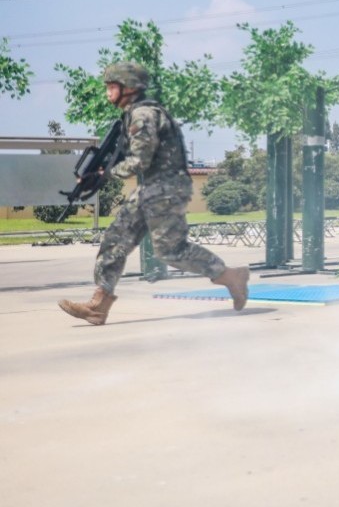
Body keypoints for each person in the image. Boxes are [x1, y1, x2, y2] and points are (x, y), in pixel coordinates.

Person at [58, 62, 249, 325]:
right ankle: (99, 304)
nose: (107, 92)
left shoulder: (143, 115)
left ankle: (230, 276)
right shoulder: (133, 115)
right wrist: (100, 171)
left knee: (171, 251)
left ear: (128, 87)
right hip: (152, 189)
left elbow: (140, 161)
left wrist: (105, 175)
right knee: (115, 240)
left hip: (166, 190)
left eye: (112, 86)